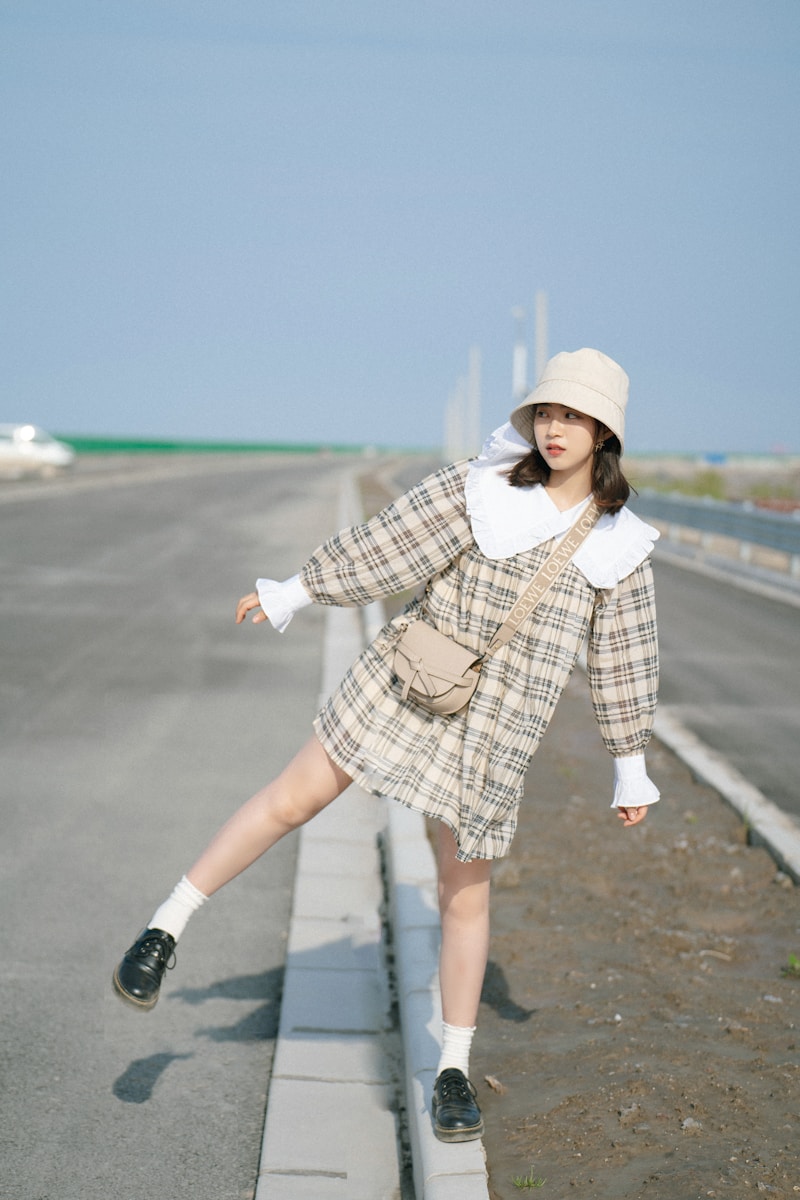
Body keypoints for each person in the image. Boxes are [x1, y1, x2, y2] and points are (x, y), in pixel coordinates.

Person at [113, 347, 660, 1143]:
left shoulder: (619, 543)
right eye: (546, 411)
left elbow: (624, 656)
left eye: (572, 416)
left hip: (498, 725)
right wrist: (294, 591)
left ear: (603, 430)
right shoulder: (481, 485)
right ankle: (164, 929)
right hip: (407, 674)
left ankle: (452, 1072)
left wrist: (629, 765)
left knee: (463, 893)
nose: (554, 428)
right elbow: (387, 546)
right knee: (291, 798)